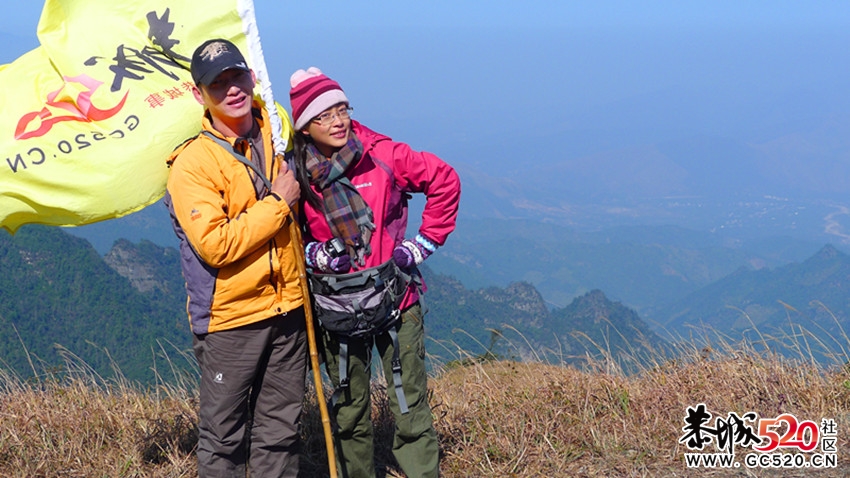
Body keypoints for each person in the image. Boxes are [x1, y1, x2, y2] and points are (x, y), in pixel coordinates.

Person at [288, 67, 461, 478]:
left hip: (395, 299)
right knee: (348, 408)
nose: (338, 121)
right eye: (324, 115)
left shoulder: (381, 155)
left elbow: (443, 179)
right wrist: (315, 254)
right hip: (338, 306)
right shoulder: (295, 174)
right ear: (305, 128)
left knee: (408, 401)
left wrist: (421, 245)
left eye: (342, 109)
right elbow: (286, 231)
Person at [164, 39, 306, 477]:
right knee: (223, 439)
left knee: (280, 431)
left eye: (237, 76)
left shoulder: (277, 134)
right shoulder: (193, 163)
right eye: (218, 83)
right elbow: (216, 244)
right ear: (199, 94)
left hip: (288, 307)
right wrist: (279, 203)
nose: (232, 90)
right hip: (230, 318)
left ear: (252, 76)